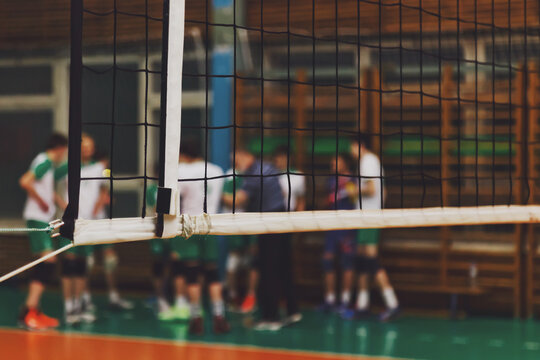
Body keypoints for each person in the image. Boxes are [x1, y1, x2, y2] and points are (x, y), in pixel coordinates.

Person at [223, 148, 299, 331]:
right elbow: (281, 192)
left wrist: (215, 194)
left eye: (236, 161)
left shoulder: (254, 172)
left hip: (270, 223)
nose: (235, 166)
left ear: (244, 156)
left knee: (269, 270)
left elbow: (238, 200)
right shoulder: (267, 167)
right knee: (283, 268)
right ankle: (292, 311)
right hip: (281, 220)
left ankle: (270, 318)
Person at [166, 140, 230, 335]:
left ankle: (196, 318)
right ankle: (219, 316)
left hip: (189, 226)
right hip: (210, 225)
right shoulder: (217, 170)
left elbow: (174, 201)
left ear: (184, 154)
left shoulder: (181, 171)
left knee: (192, 275)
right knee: (212, 273)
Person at [346, 135, 399, 322]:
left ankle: (392, 303)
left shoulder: (368, 160)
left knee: (371, 260)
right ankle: (362, 304)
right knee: (361, 259)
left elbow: (372, 190)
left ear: (359, 146)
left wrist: (352, 191)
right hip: (366, 217)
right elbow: (383, 191)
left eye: (351, 146)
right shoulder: (371, 161)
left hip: (369, 217)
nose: (350, 150)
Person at [18, 133, 68, 330]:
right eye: (65, 150)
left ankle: (32, 311)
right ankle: (29, 311)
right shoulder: (45, 161)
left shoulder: (46, 163)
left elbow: (46, 188)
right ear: (59, 148)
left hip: (43, 219)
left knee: (43, 263)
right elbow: (25, 181)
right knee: (48, 262)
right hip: (37, 218)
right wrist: (40, 201)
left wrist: (60, 203)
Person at [320, 153, 357, 314]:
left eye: (337, 161)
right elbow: (325, 201)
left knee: (347, 263)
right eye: (332, 160)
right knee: (327, 261)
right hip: (332, 225)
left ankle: (346, 301)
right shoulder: (330, 181)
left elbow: (356, 197)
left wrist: (349, 190)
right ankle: (329, 300)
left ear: (345, 163)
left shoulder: (351, 180)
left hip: (347, 226)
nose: (333, 163)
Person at [222, 168, 258, 313]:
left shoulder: (255, 174)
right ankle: (232, 296)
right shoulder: (231, 175)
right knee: (233, 261)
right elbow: (227, 199)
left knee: (253, 261)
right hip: (234, 224)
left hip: (254, 222)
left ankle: (251, 297)